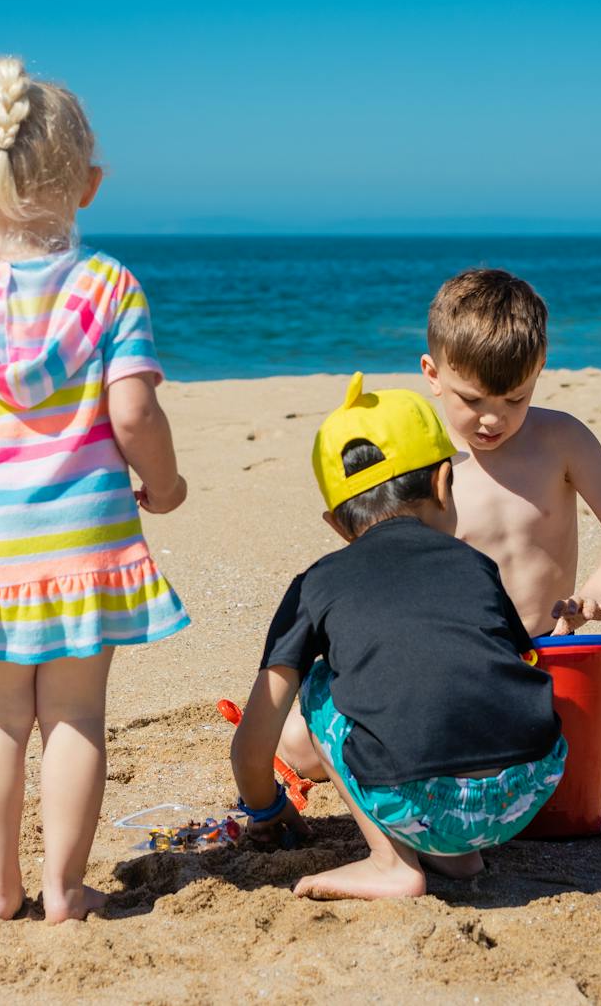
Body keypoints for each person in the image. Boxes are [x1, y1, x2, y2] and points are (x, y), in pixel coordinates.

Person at [0, 55, 191, 923]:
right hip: (88, 543)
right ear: (88, 185)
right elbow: (133, 414)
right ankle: (63, 889)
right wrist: (163, 485)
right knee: (78, 715)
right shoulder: (108, 287)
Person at [230, 374, 566, 900]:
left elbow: (253, 744)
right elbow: (513, 660)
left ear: (337, 525)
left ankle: (391, 863)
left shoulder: (315, 585)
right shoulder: (477, 566)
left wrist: (266, 811)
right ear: (441, 483)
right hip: (528, 789)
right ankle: (457, 857)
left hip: (420, 802)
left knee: (319, 681)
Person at [420, 268, 601, 793]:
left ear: (539, 371)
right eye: (473, 399)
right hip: (455, 660)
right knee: (302, 745)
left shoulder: (560, 439)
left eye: (515, 400)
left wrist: (599, 590)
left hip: (544, 653)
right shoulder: (423, 454)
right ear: (432, 373)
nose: (492, 420)